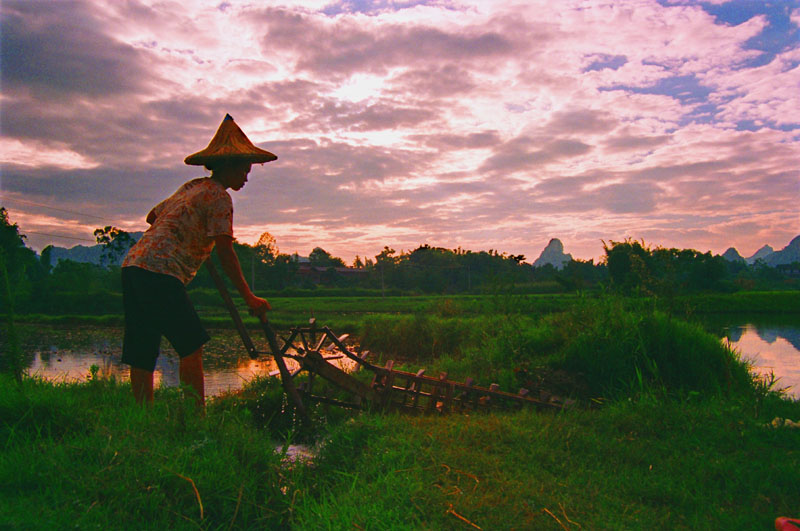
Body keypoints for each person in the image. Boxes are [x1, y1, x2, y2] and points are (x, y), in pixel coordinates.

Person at [120, 114, 276, 409]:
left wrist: (189, 229)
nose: (246, 177)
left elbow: (152, 217)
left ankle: (142, 419)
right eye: (244, 169)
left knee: (142, 348)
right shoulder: (219, 197)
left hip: (133, 265)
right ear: (227, 166)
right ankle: (196, 420)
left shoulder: (193, 186)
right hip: (160, 271)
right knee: (191, 346)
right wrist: (249, 297)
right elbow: (226, 253)